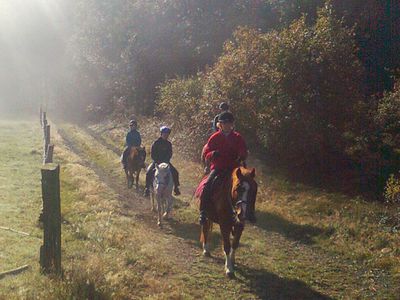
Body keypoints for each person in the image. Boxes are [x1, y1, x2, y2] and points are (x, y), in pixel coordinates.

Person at [199, 111, 248, 225]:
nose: (227, 125)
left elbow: (244, 150)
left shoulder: (238, 137)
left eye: (229, 123)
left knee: (247, 185)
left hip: (234, 168)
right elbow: (207, 152)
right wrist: (212, 154)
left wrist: (241, 155)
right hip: (219, 167)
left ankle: (247, 210)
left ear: (232, 124)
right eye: (224, 123)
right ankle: (203, 212)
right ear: (220, 125)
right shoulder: (214, 137)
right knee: (207, 186)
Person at [144, 126, 181, 197]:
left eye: (167, 134)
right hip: (157, 162)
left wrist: (166, 161)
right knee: (149, 172)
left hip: (166, 163)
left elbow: (170, 154)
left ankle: (176, 188)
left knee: (175, 172)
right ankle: (147, 188)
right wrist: (157, 161)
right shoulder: (156, 143)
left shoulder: (169, 144)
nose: (166, 135)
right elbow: (153, 154)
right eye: (164, 134)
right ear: (161, 134)